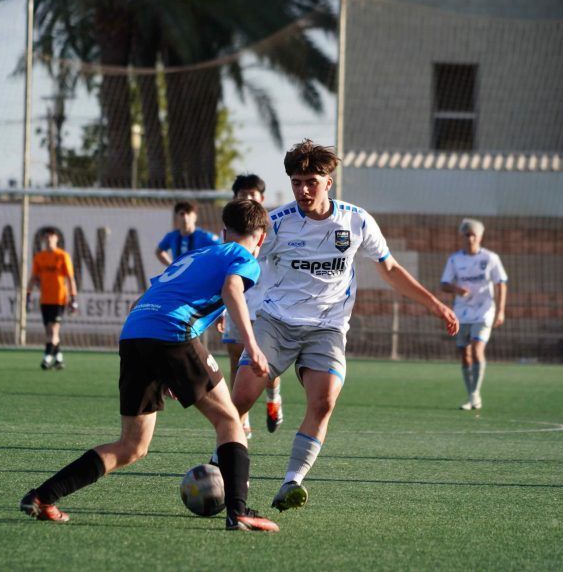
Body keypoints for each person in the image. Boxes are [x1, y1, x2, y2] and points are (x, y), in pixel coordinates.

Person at [20, 199, 279, 532]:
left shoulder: (193, 256)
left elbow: (139, 299)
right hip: (172, 331)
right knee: (229, 419)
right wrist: (253, 346)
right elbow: (232, 289)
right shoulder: (242, 256)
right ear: (260, 238)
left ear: (223, 231)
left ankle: (43, 497)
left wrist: (164, 368)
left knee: (132, 445)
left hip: (134, 332)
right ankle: (239, 513)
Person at [229, 140, 459, 512]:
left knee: (324, 402)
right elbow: (238, 265)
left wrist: (434, 304)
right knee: (238, 401)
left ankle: (292, 481)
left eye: (311, 182)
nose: (303, 190)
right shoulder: (276, 225)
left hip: (328, 328)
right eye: (297, 182)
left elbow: (390, 269)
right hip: (276, 323)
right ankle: (221, 467)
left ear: (328, 183)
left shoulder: (356, 220)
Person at [218, 174, 284, 438]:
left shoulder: (273, 228)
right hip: (238, 302)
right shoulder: (228, 229)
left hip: (264, 305)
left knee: (265, 363)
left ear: (262, 198)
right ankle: (241, 418)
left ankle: (273, 397)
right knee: (237, 358)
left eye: (251, 195)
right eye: (241, 194)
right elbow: (223, 272)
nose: (246, 198)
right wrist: (221, 309)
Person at [439, 219, 507, 410]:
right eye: (466, 235)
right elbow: (443, 284)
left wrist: (500, 310)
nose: (470, 238)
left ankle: (475, 394)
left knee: (477, 350)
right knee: (464, 354)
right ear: (462, 237)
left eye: (473, 235)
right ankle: (471, 395)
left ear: (480, 237)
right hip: (462, 312)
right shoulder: (454, 259)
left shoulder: (490, 258)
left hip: (485, 311)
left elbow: (501, 283)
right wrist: (456, 289)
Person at [26, 227, 77, 370]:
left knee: (53, 331)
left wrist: (73, 298)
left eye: (51, 236)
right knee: (49, 332)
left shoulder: (62, 256)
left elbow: (70, 278)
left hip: (59, 299)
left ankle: (47, 357)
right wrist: (28, 295)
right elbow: (34, 278)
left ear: (57, 239)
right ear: (43, 239)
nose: (49, 239)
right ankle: (59, 358)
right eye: (46, 237)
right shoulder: (39, 257)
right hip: (45, 299)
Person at [155, 201, 220, 266]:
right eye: (182, 214)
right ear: (176, 217)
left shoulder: (205, 236)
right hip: (180, 275)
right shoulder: (172, 236)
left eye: (188, 213)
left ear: (195, 217)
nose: (185, 217)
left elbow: (222, 250)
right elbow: (159, 251)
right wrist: (171, 266)